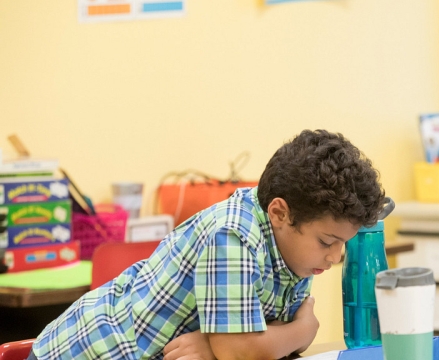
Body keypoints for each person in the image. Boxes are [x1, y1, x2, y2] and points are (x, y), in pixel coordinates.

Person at [31, 130, 385, 360]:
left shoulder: (295, 249)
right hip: (88, 352)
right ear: (280, 212)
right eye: (327, 241)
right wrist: (303, 329)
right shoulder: (234, 233)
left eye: (342, 244)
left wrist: (223, 347)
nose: (335, 255)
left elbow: (259, 347)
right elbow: (247, 348)